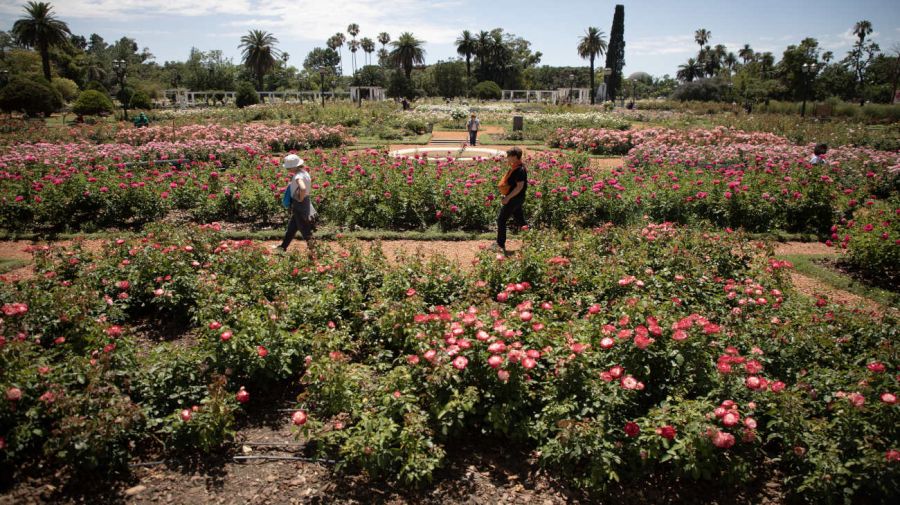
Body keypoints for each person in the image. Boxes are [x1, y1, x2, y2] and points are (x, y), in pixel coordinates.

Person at [274, 154, 318, 257]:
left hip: (300, 204)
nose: (288, 170)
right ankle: (283, 247)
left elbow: (302, 188)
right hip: (305, 201)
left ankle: (314, 251)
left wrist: (300, 198)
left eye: (289, 168)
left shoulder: (298, 176)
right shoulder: (304, 173)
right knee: (292, 228)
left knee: (305, 229)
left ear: (294, 167)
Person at [496, 147, 528, 253]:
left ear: (514, 157)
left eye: (509, 156)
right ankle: (533, 240)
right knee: (520, 221)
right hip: (516, 198)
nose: (507, 158)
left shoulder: (520, 170)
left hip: (514, 199)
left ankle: (500, 245)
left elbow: (519, 187)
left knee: (501, 220)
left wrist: (508, 198)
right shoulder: (515, 167)